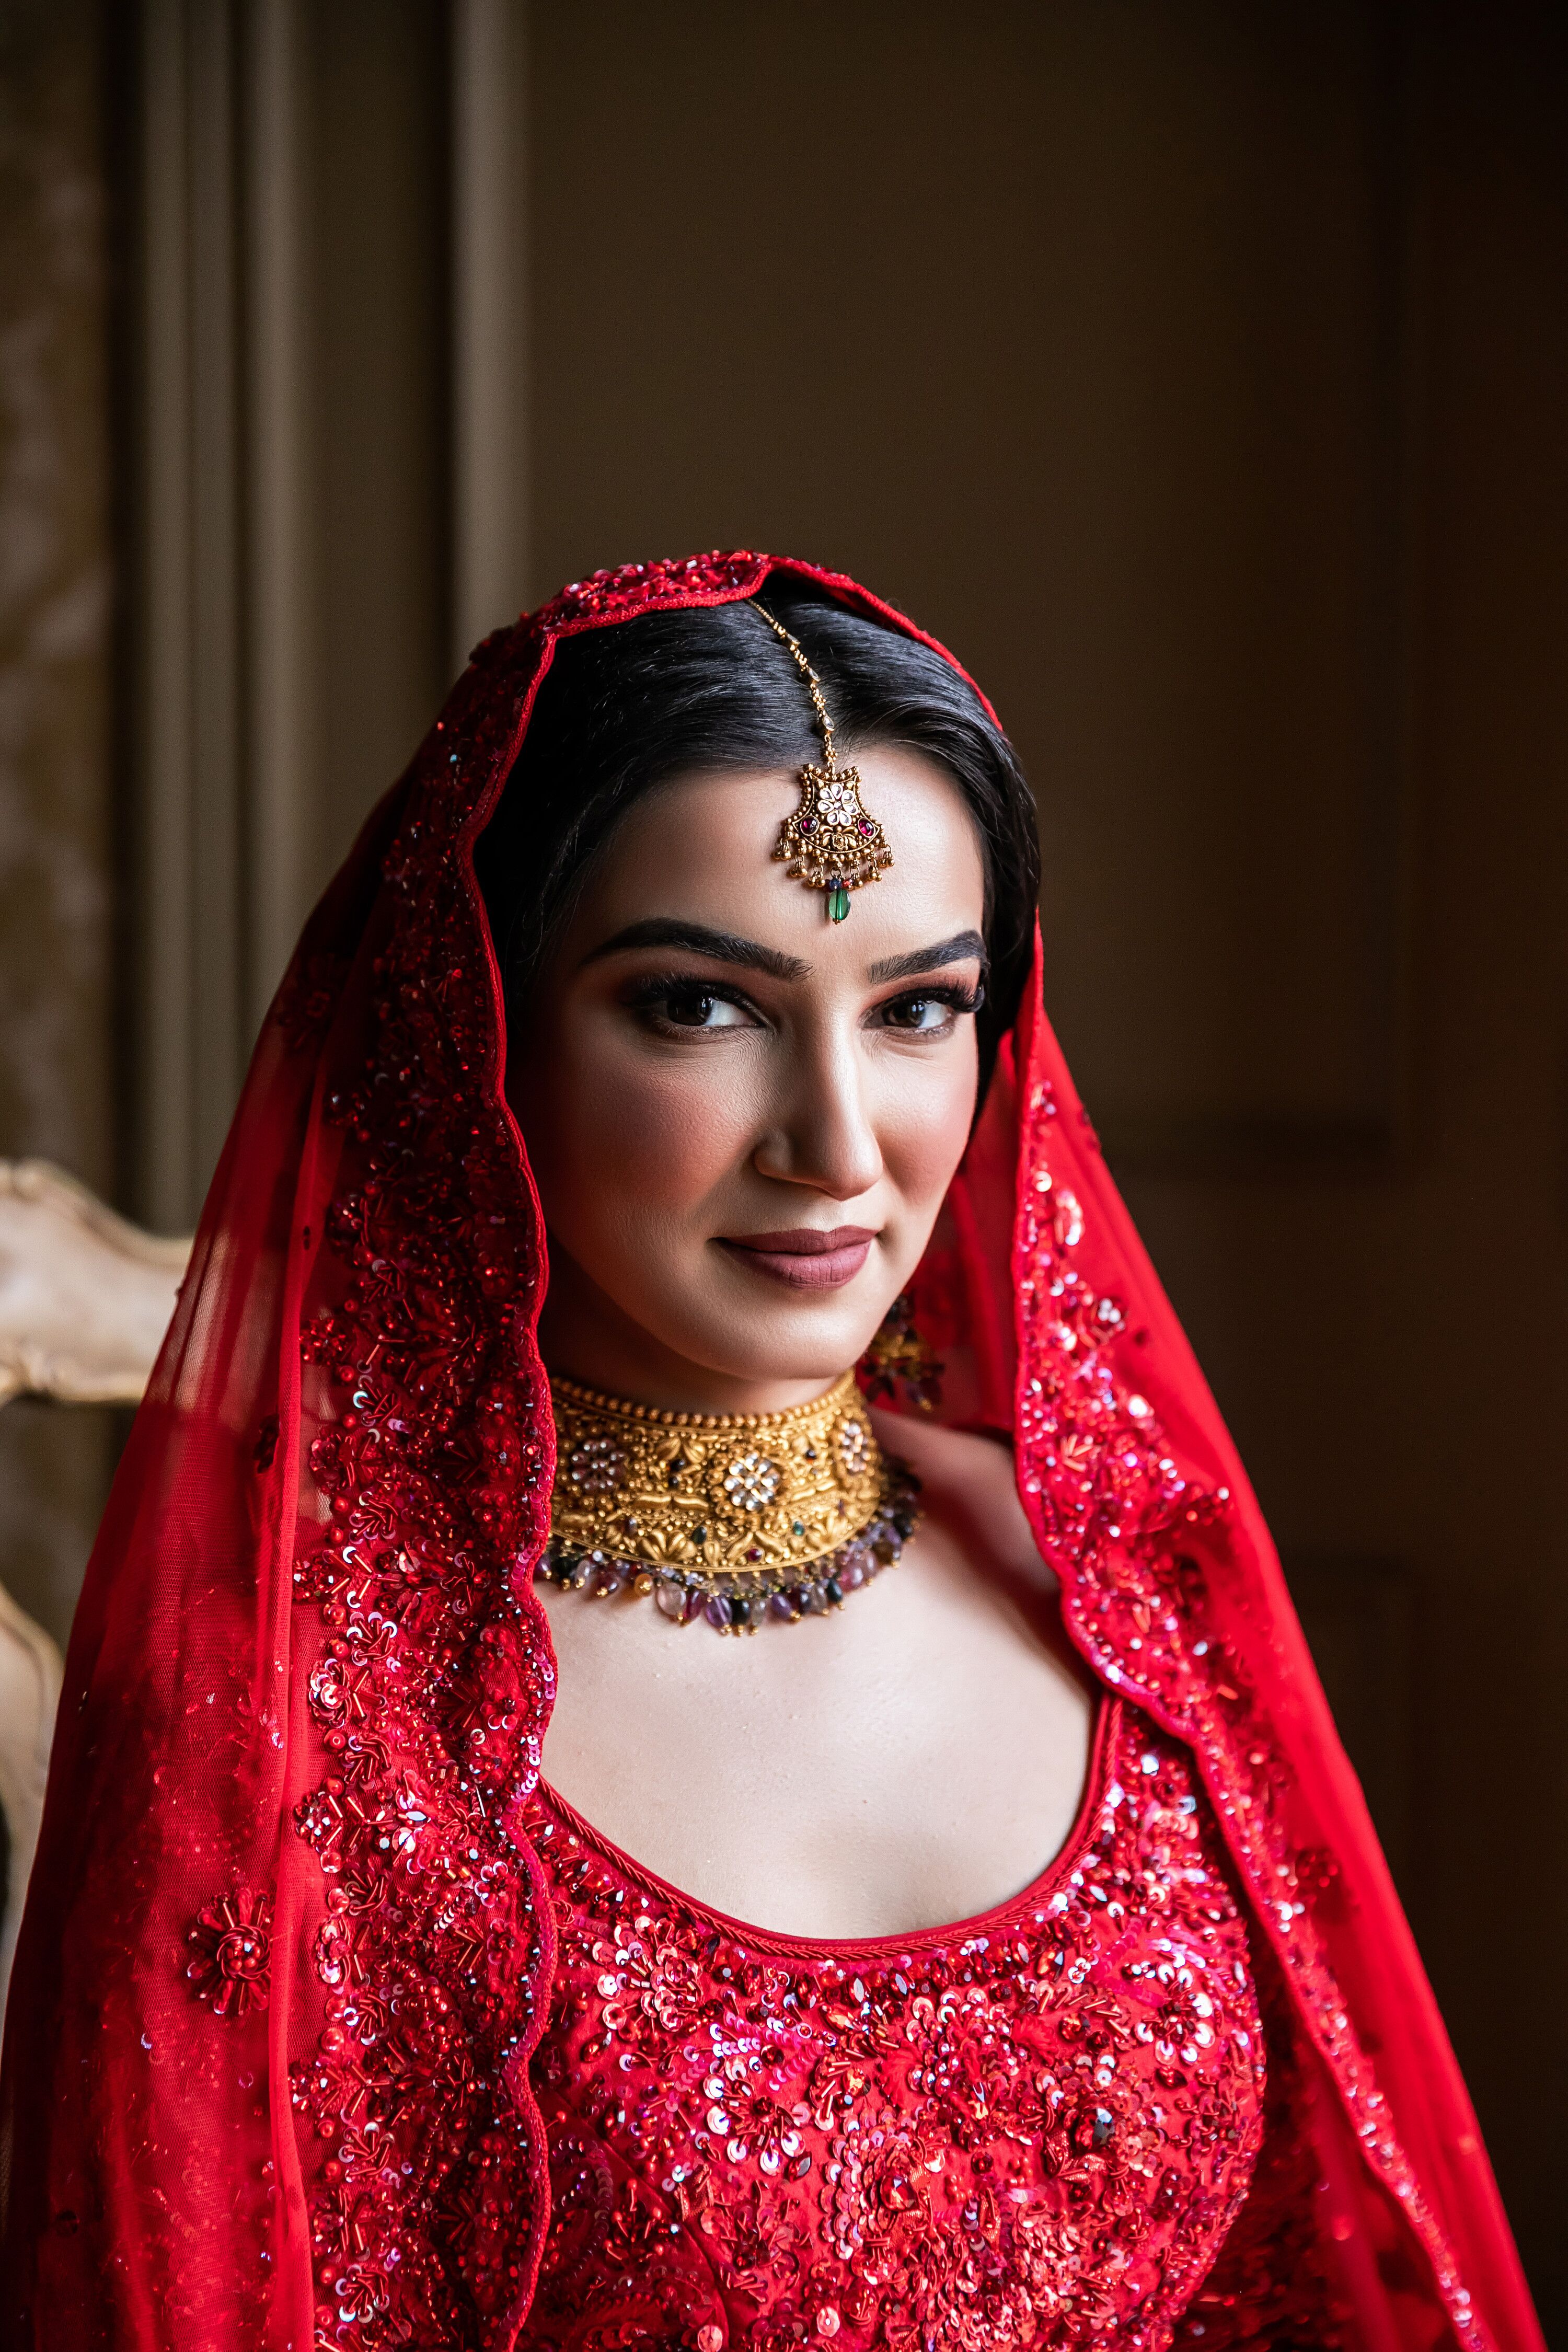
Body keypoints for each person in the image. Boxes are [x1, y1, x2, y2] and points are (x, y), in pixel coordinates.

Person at [0, 554, 1542, 2351]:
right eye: (701, 1006)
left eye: (917, 1008)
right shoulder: (289, 1725)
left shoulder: (1115, 1579)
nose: (838, 1144)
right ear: (475, 1030)